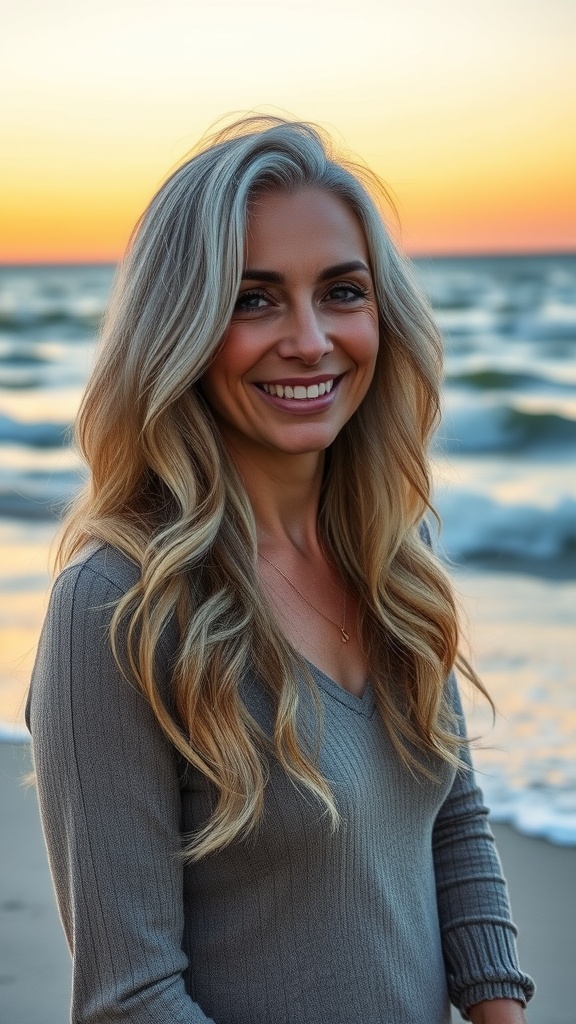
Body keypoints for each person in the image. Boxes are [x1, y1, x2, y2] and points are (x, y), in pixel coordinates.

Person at [27, 116, 534, 1024]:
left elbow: (452, 828)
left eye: (342, 291)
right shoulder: (115, 606)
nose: (309, 340)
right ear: (179, 329)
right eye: (253, 299)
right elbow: (130, 1000)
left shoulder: (390, 559)